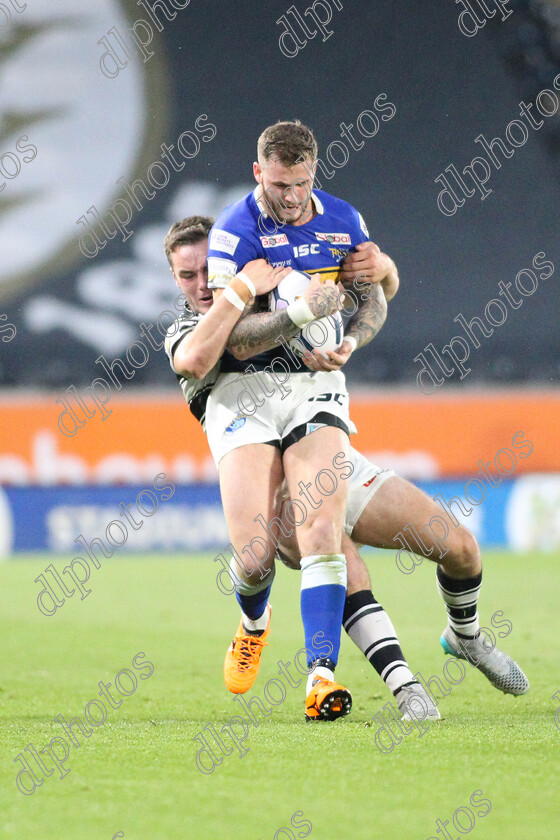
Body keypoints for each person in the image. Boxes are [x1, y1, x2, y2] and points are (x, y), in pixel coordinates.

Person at [163, 216, 528, 723]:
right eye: (186, 275)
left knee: (461, 548)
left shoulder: (283, 286)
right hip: (271, 478)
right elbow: (203, 356)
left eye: (209, 269)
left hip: (324, 449)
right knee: (277, 556)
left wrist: (386, 268)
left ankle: (464, 636)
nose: (201, 283)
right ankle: (359, 672)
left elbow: (366, 289)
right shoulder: (187, 329)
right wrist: (252, 288)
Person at [204, 120, 401, 721]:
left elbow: (373, 299)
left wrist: (352, 345)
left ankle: (320, 679)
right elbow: (230, 342)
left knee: (320, 529)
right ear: (259, 172)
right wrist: (296, 315)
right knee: (258, 555)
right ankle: (252, 621)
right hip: (248, 390)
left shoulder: (344, 219)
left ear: (316, 173)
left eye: (303, 183)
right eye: (280, 184)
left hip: (316, 385)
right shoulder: (233, 233)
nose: (291, 198)